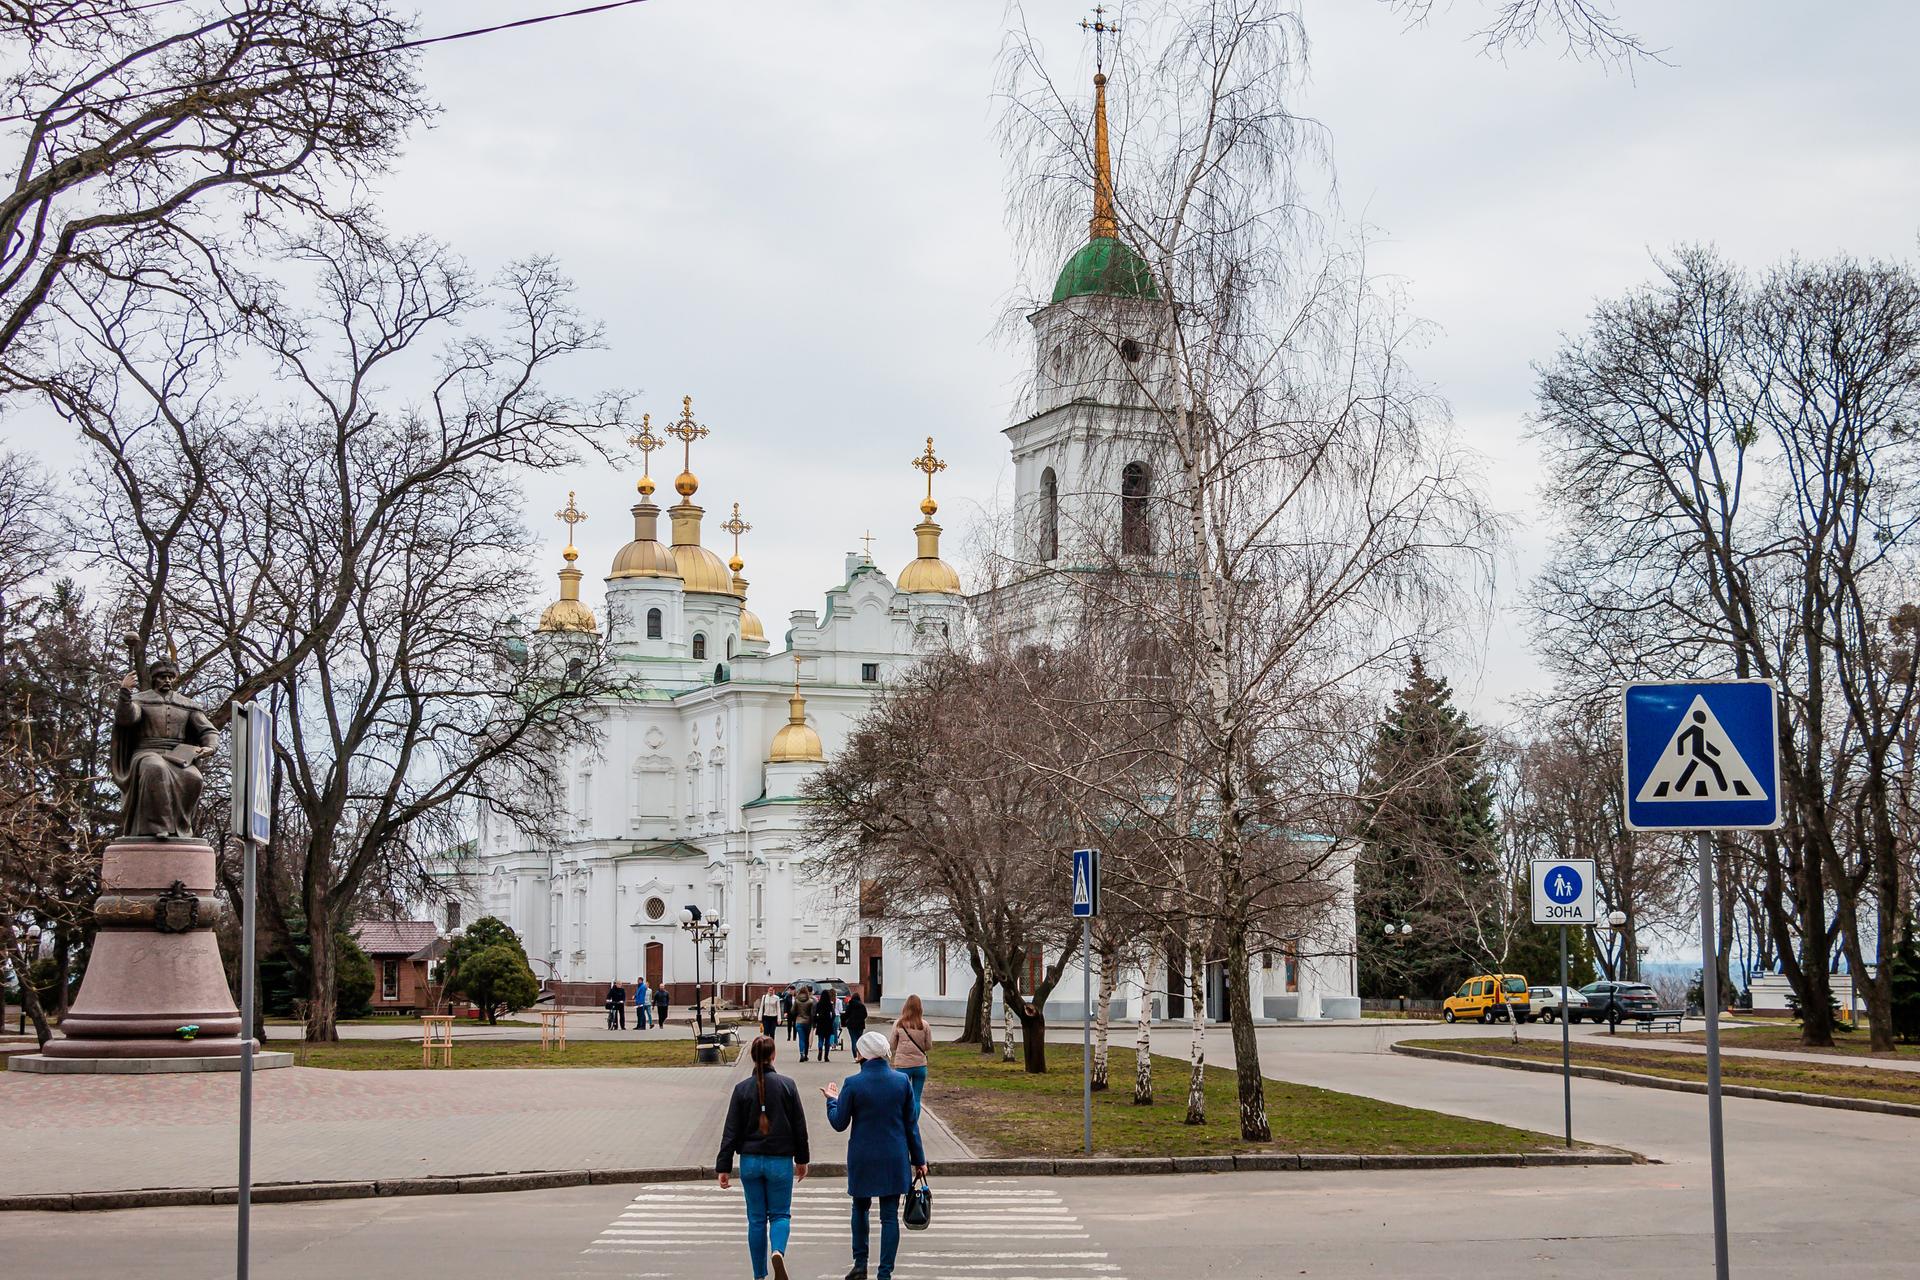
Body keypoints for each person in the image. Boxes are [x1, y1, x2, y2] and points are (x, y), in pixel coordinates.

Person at [824, 1031, 927, 1280]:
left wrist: (831, 1101)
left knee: (860, 1207)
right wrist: (919, 1160)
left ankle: (860, 1265)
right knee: (889, 1217)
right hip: (894, 1155)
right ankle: (885, 1273)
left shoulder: (852, 1083)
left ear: (863, 1055)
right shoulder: (901, 1082)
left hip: (863, 1156)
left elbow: (839, 1123)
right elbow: (910, 1125)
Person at [718, 1035, 810, 1280]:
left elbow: (731, 1130)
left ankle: (759, 1275)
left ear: (752, 1057)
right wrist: (802, 1160)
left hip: (750, 1161)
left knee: (756, 1220)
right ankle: (777, 1251)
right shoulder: (787, 1085)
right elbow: (799, 1126)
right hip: (779, 1161)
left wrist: (723, 1166)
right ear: (773, 1056)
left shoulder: (741, 1089)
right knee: (780, 1214)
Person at [888, 995, 932, 1120]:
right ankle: (913, 1124)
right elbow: (928, 1046)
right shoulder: (924, 1025)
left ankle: (902, 1122)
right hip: (920, 1065)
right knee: (916, 1098)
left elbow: (892, 1045)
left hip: (903, 1066)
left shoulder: (899, 1024)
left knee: (902, 1097)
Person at [811, 985, 837, 1063]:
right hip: (828, 1024)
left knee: (820, 1039)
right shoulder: (830, 1004)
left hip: (821, 1024)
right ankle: (826, 1056)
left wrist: (816, 1021)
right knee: (828, 1041)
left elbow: (815, 1014)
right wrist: (831, 1020)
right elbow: (834, 1014)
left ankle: (820, 1050)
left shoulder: (819, 1004)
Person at [794, 986, 816, 1062]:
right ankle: (806, 1054)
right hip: (807, 1022)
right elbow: (812, 1013)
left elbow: (792, 1010)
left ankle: (801, 1054)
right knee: (806, 1039)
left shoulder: (797, 1001)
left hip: (799, 1021)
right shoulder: (810, 1001)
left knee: (801, 1038)